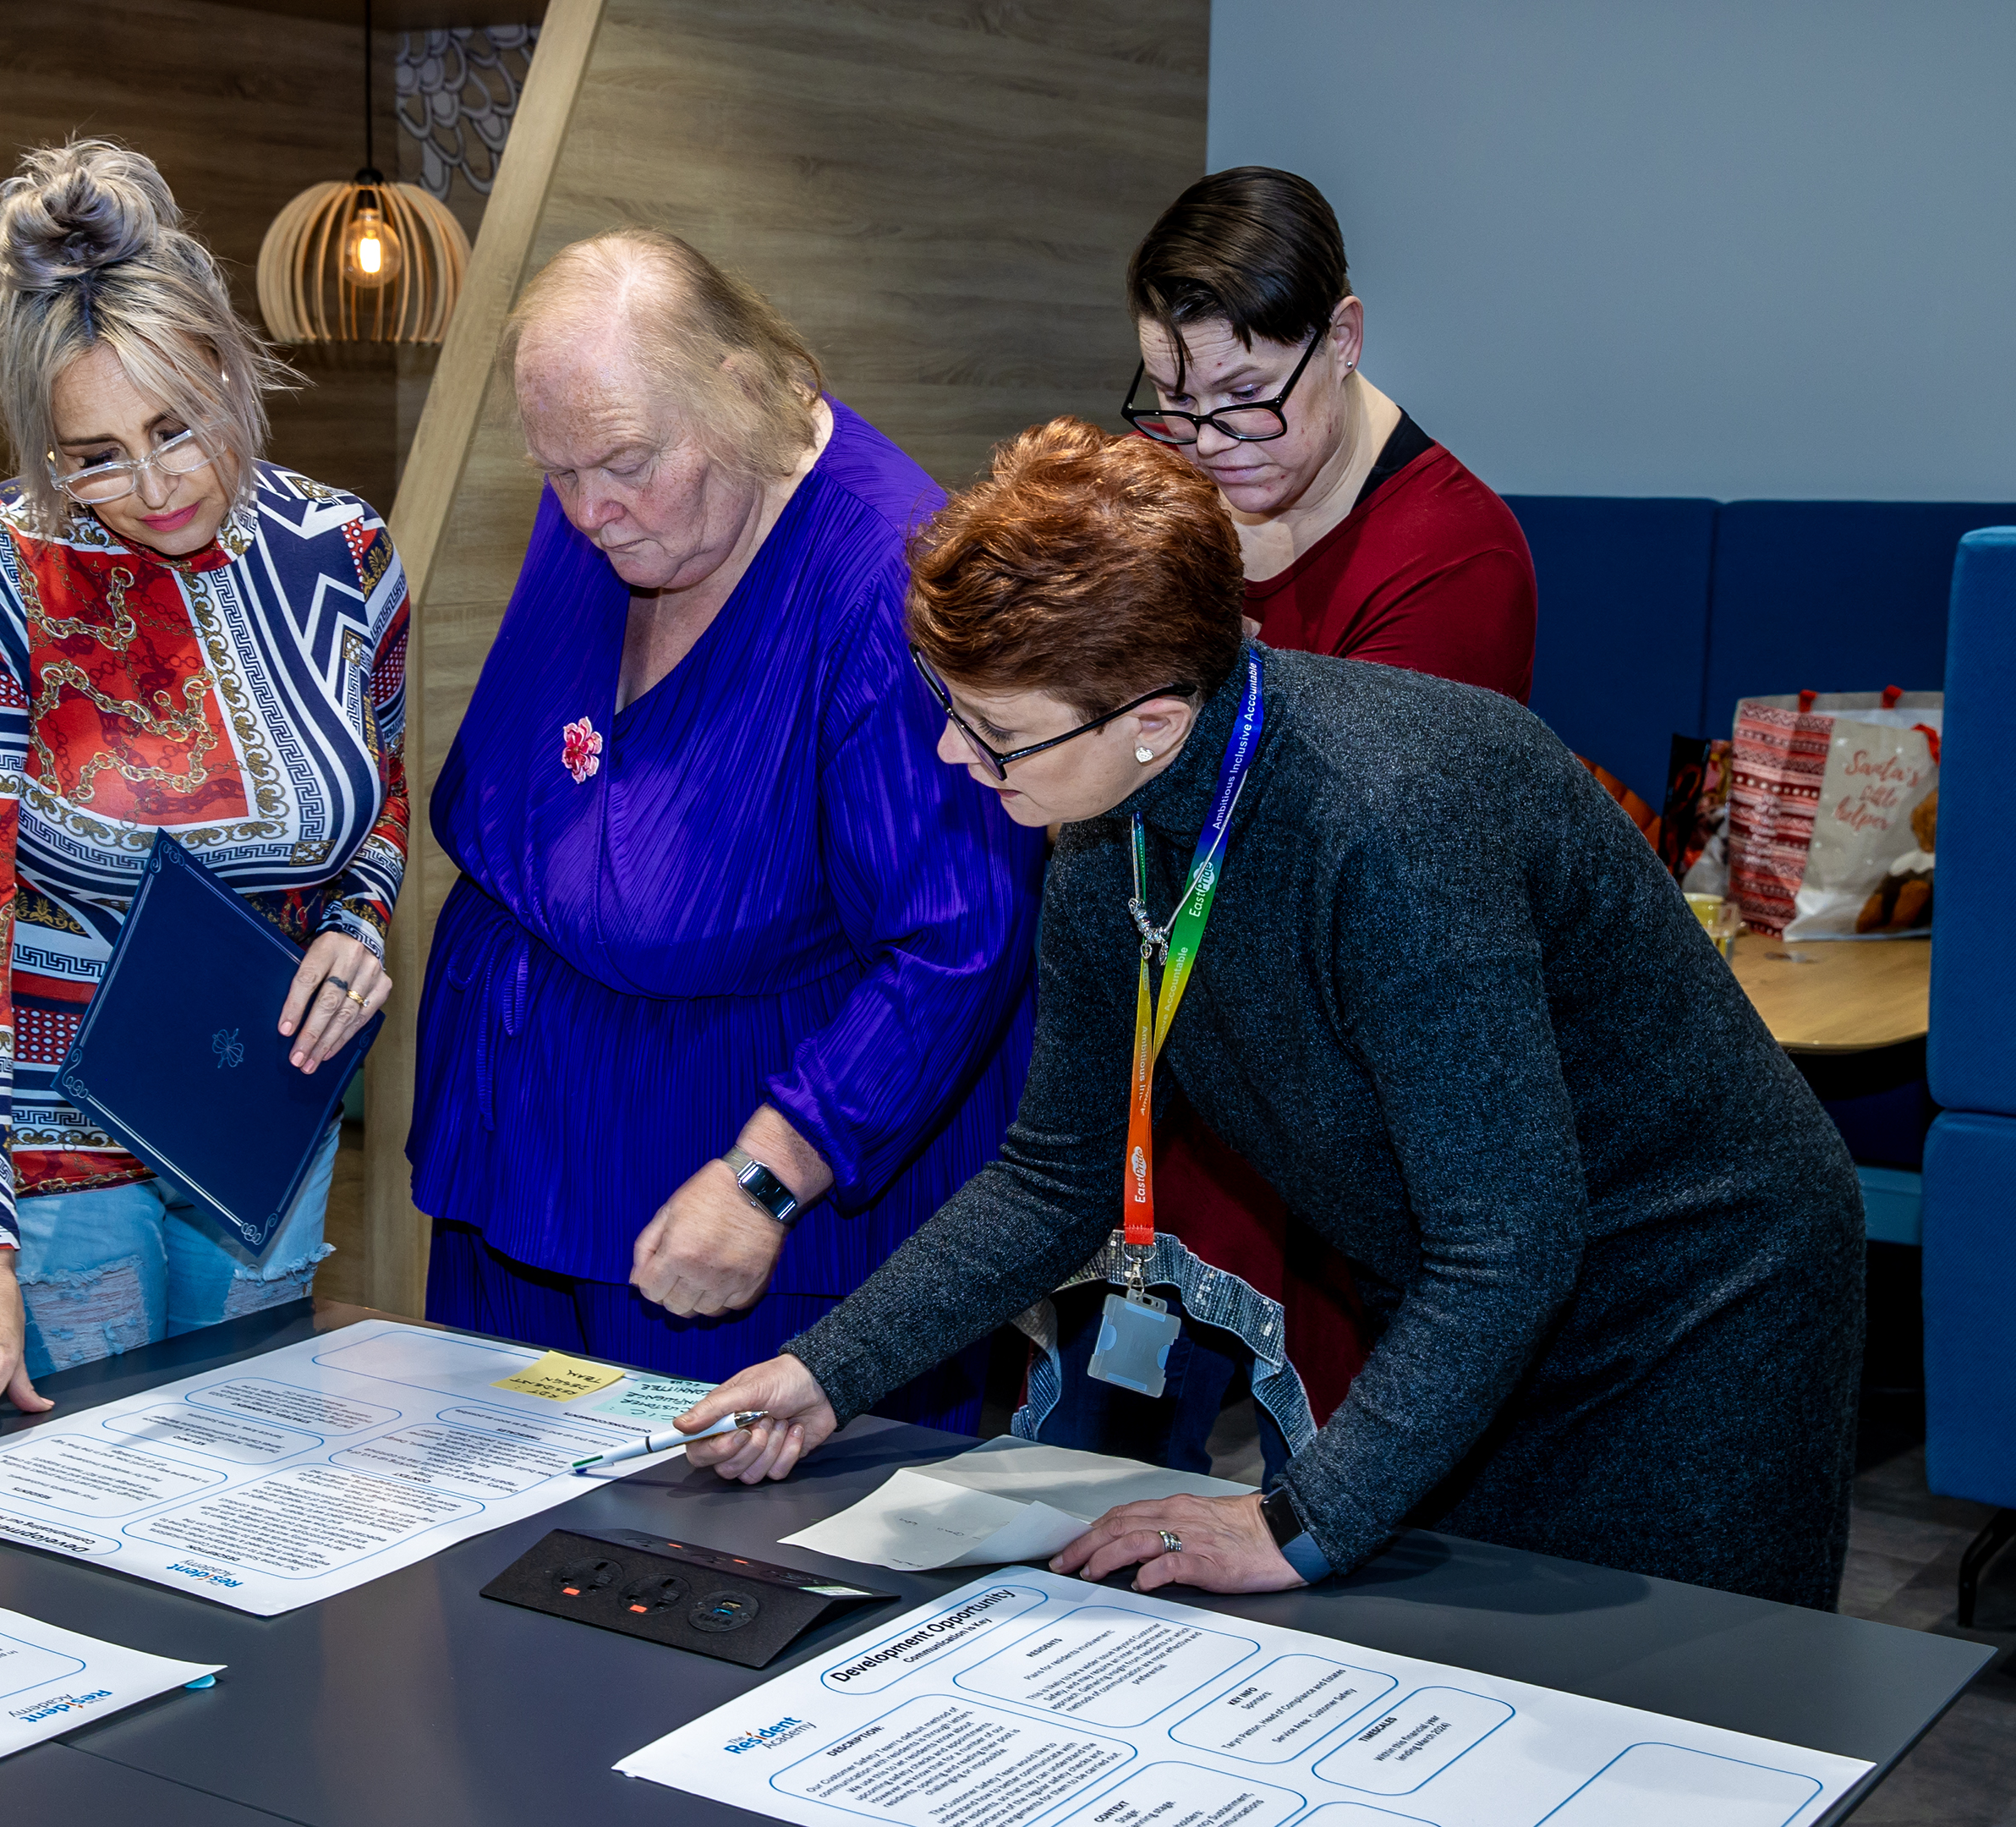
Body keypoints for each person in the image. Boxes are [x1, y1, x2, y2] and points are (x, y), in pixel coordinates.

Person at [675, 420, 1865, 1610]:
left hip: (1695, 1296)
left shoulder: (1385, 827)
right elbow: (1053, 1176)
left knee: (1676, 1709)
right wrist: (828, 1372)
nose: (950, 753)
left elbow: (1507, 1241)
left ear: (1149, 715)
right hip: (1473, 1295)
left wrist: (1295, 1520)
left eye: (991, 729)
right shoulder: (1105, 828)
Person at [407, 229, 1044, 1428]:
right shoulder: (615, 485)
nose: (590, 511)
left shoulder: (890, 583)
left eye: (622, 464)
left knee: (722, 1576)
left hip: (747, 1207)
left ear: (746, 391)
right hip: (526, 1159)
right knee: (493, 1538)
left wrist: (767, 1175)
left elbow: (961, 940)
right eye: (556, 472)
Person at [0, 140, 409, 1473]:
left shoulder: (344, 551)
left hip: (255, 1092)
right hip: (48, 1109)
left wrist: (362, 917)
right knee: (91, 1488)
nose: (157, 483)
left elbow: (379, 788)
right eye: (96, 457)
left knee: (259, 1471)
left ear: (231, 368)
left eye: (178, 425)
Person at [1056, 164, 1546, 1460]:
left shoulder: (1452, 557)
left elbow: (1339, 864)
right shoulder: (1168, 501)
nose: (1206, 444)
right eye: (1170, 404)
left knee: (1328, 1497)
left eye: (1243, 400)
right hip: (1171, 1090)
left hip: (1344, 1113)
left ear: (1341, 338)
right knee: (1089, 1473)